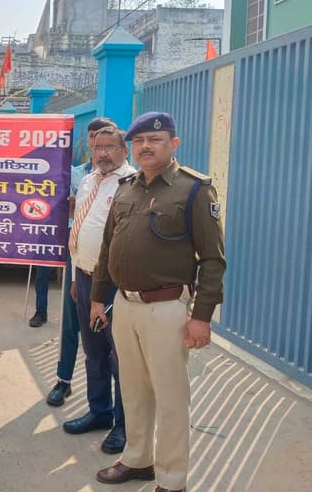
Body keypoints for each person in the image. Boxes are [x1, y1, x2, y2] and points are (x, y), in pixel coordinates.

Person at [93, 112, 226, 492]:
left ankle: (172, 479)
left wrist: (202, 317)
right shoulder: (126, 187)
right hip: (125, 305)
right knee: (134, 390)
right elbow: (107, 248)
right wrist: (99, 298)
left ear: (174, 144)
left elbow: (213, 259)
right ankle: (138, 459)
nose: (146, 147)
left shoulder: (194, 190)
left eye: (155, 140)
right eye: (139, 141)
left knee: (170, 397)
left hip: (167, 309)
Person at [63, 126, 134, 454]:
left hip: (114, 284)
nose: (103, 153)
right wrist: (76, 279)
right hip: (84, 277)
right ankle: (100, 411)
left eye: (110, 147)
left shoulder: (131, 183)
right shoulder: (89, 180)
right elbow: (81, 227)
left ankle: (124, 425)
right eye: (98, 147)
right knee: (93, 351)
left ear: (124, 151)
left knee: (121, 357)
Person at [47, 117, 116, 406]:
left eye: (105, 141)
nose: (99, 147)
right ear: (89, 142)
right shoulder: (78, 176)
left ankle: (115, 411)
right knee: (72, 323)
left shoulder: (125, 179)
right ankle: (64, 381)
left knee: (109, 336)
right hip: (78, 260)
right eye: (93, 139)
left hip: (110, 271)